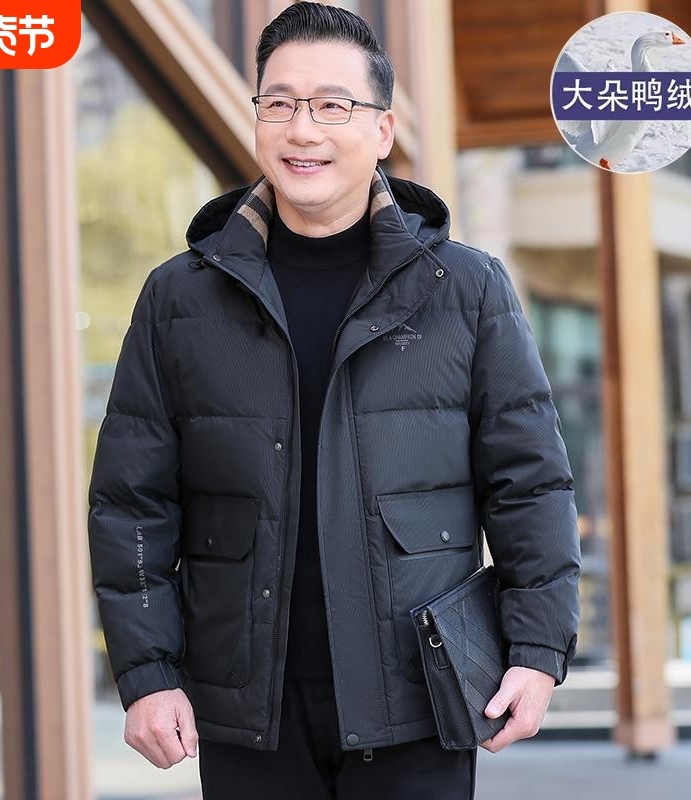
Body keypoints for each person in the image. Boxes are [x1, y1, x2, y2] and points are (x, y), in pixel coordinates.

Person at [87, 3, 581, 798]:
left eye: (331, 105)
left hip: (420, 697)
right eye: (279, 103)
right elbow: (131, 503)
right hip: (247, 707)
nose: (302, 129)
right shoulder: (180, 297)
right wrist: (147, 672)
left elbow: (529, 484)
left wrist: (537, 651)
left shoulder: (465, 289)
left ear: (382, 130)